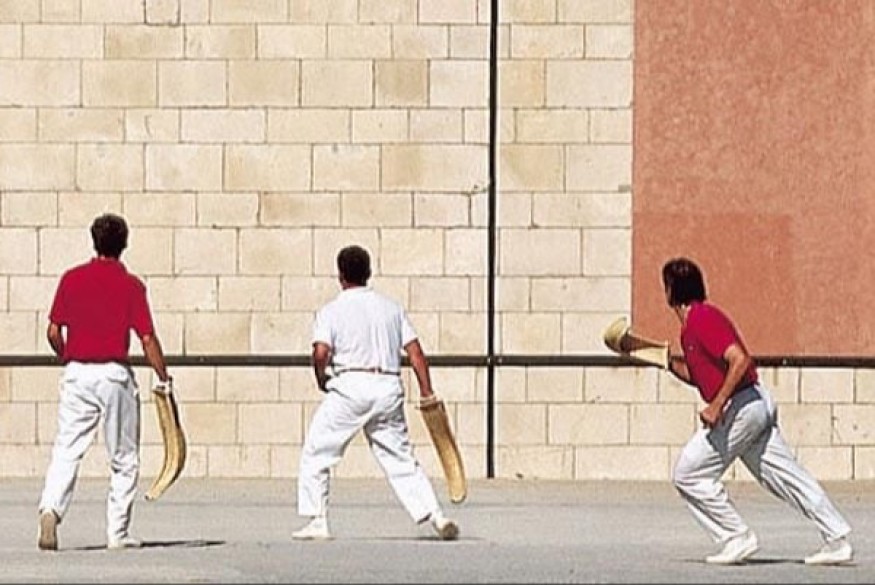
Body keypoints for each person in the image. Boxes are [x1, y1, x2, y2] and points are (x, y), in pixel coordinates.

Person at [662, 257, 852, 565]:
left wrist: (716, 405)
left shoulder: (702, 319)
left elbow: (740, 360)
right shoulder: (691, 328)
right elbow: (701, 377)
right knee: (786, 476)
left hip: (742, 406)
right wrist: (667, 362)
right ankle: (837, 539)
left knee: (688, 473)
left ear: (670, 290)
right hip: (752, 402)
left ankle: (736, 537)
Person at [292, 244, 459, 541]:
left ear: (341, 275)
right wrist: (427, 391)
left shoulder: (331, 311)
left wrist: (321, 378)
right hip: (388, 386)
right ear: (368, 272)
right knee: (400, 457)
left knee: (317, 452)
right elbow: (416, 353)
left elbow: (320, 353)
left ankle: (318, 520)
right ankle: (436, 515)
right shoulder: (391, 308)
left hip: (350, 386)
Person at [37, 213, 171, 551]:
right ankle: (117, 532)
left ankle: (51, 508)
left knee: (67, 448)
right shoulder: (131, 285)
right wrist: (163, 375)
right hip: (113, 374)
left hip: (77, 373)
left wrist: (68, 356)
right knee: (124, 456)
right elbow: (147, 338)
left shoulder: (71, 279)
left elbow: (53, 331)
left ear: (94, 242)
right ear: (124, 244)